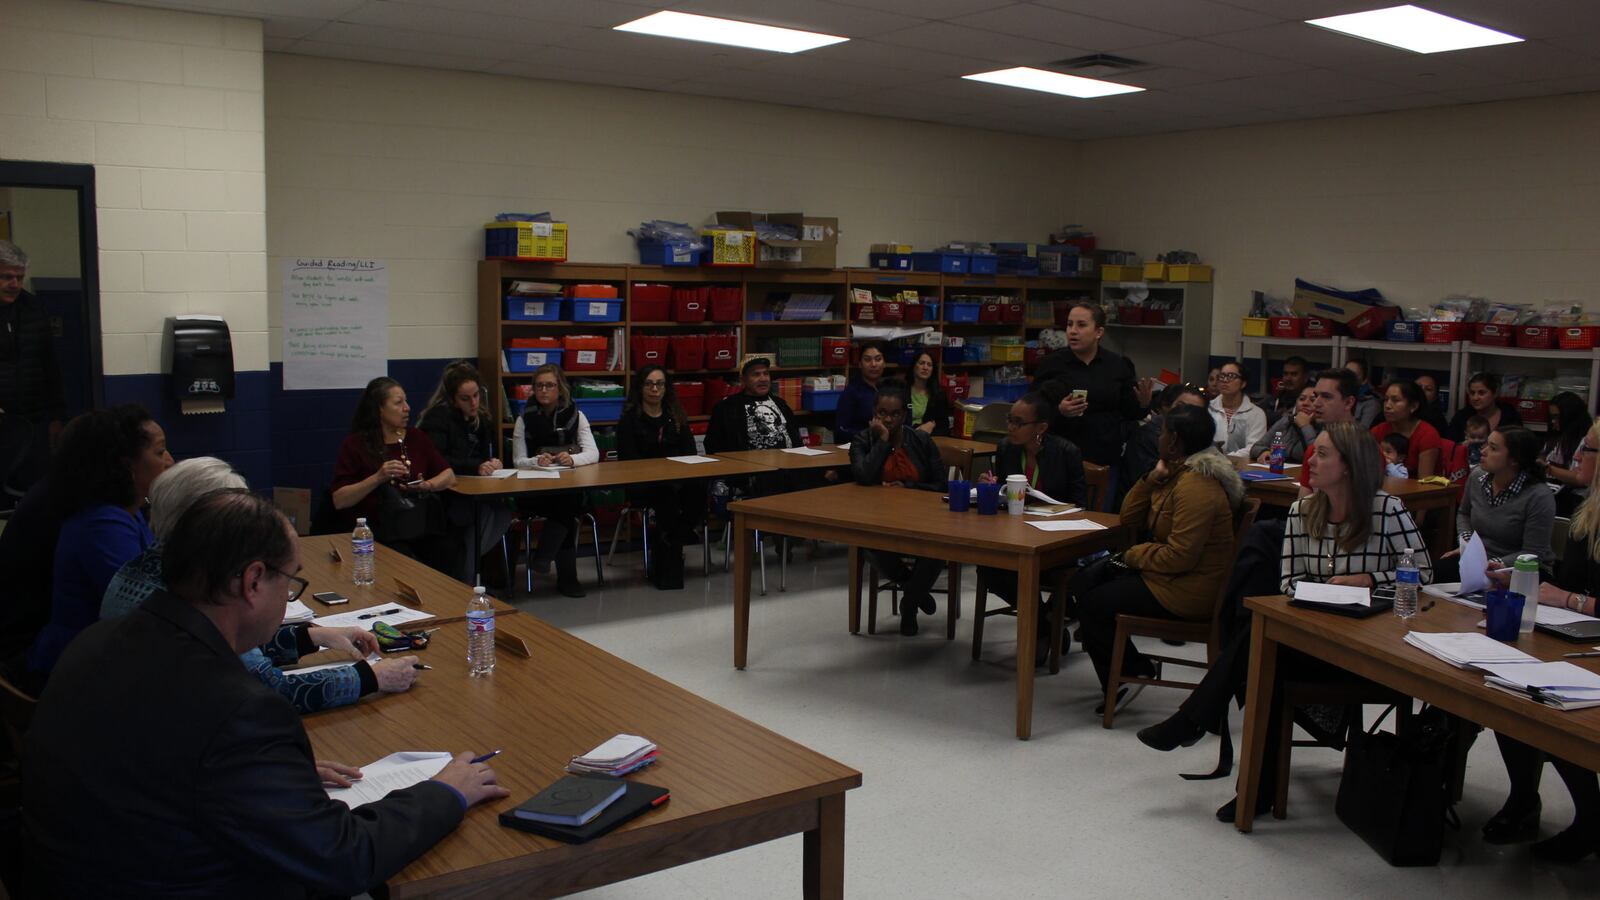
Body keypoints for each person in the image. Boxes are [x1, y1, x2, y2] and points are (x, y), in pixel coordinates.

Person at [21, 490, 508, 897]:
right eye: (290, 581)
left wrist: (263, 777)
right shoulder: (238, 711)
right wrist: (445, 793)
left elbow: (156, 755)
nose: (290, 597)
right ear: (253, 581)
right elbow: (341, 857)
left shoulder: (99, 641)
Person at [1140, 424, 1433, 824]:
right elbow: (1288, 584)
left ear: (1349, 466)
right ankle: (1248, 783)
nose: (1310, 460)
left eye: (1323, 455)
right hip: (1316, 638)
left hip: (1369, 650)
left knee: (1257, 655)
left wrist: (1369, 580)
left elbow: (1424, 574)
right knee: (1262, 658)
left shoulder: (1386, 510)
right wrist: (1317, 592)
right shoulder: (1302, 511)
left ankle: (1202, 729)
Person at [100, 457, 422, 713]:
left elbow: (230, 647)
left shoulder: (143, 568)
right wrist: (372, 677)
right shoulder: (193, 590)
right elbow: (268, 692)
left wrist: (312, 636)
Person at [1076, 404, 1244, 712]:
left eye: (1163, 431)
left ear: (1175, 440)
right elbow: (1128, 518)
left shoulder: (1197, 486)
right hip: (1170, 576)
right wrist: (1151, 478)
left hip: (1188, 589)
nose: (1158, 436)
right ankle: (1131, 669)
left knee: (1092, 601)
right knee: (1086, 580)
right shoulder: (1176, 473)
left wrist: (1133, 556)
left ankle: (1128, 672)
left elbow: (1180, 556)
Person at [1481, 454, 1600, 861]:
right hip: (1575, 633)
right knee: (1508, 685)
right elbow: (1567, 582)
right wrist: (1524, 580)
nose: (1581, 460)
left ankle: (1590, 821)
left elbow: (1573, 594)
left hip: (1586, 632)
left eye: (1591, 452)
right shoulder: (1589, 513)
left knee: (1560, 709)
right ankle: (1523, 799)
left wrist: (1572, 600)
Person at [23, 406, 173, 686]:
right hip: (78, 671)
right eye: (159, 452)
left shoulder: (129, 512)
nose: (169, 461)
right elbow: (148, 607)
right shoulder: (102, 524)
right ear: (126, 465)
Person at [976, 390, 1088, 660]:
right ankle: (1045, 625)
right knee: (988, 567)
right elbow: (1006, 493)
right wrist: (992, 489)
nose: (1011, 428)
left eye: (1018, 422)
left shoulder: (1067, 453)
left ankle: (1040, 629)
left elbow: (1080, 505)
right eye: (1009, 420)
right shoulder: (1006, 448)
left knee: (1035, 570)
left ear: (1041, 428)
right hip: (1017, 535)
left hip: (1055, 540)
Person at [331, 376, 460, 579]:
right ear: (379, 409)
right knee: (402, 559)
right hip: (379, 530)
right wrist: (378, 477)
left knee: (449, 549)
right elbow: (339, 500)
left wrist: (427, 485)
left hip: (417, 522)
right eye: (398, 403)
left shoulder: (416, 437)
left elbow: (449, 475)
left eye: (406, 401)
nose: (407, 408)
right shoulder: (356, 444)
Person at [850, 379, 948, 636]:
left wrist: (909, 488)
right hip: (878, 520)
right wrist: (882, 441)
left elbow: (941, 485)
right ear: (874, 413)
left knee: (938, 547)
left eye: (894, 414)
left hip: (921, 520)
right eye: (882, 413)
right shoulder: (862, 440)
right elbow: (863, 475)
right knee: (871, 543)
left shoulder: (922, 441)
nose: (889, 419)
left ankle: (909, 602)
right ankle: (916, 594)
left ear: (904, 414)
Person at [1031, 302, 1151, 506]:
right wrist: (1059, 410)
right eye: (1069, 325)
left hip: (1103, 458)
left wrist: (1143, 404)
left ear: (1099, 332)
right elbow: (1033, 408)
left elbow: (1130, 412)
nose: (1073, 331)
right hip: (1059, 458)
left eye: (1081, 325)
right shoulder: (1052, 364)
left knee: (1097, 521)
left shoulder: (1117, 365)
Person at [420, 361, 515, 583]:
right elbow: (437, 459)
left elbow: (484, 453)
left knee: (502, 513)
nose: (473, 403)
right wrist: (475, 466)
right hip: (444, 493)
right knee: (479, 516)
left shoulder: (480, 418)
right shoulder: (438, 418)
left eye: (476, 395)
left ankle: (468, 568)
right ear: (452, 398)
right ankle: (467, 578)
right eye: (465, 398)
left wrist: (492, 462)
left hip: (472, 487)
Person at [510, 364, 598, 598]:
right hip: (534, 490)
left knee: (567, 501)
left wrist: (573, 459)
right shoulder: (524, 419)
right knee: (567, 508)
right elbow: (518, 460)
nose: (544, 390)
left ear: (560, 388)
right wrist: (536, 461)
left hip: (566, 485)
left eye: (550, 385)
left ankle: (544, 557)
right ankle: (568, 579)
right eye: (539, 385)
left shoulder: (576, 415)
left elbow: (593, 453)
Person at [616, 365, 706, 590]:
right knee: (665, 495)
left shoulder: (675, 417)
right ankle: (677, 538)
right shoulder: (629, 420)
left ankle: (678, 533)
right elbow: (628, 458)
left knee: (699, 486)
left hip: (676, 480)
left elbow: (689, 452)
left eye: (659, 384)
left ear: (666, 388)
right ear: (640, 388)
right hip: (643, 483)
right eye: (649, 384)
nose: (654, 389)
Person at [1443, 427, 1555, 582]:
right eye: (1486, 445)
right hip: (1478, 558)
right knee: (1433, 574)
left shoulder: (1538, 496)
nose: (1483, 451)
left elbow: (1533, 553)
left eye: (1493, 448)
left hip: (1523, 568)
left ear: (1514, 460)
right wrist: (1467, 543)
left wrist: (1494, 563)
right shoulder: (1477, 476)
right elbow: (1464, 513)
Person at [0, 239, 65, 500]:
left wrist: (57, 416)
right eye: (6, 276)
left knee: (34, 489)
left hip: (33, 418)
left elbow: (50, 365)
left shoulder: (33, 308)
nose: (14, 284)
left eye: (19, 277)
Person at [705, 356, 801, 453]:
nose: (763, 379)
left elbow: (797, 439)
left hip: (787, 463)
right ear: (743, 380)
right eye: (756, 374)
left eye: (766, 373)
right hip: (748, 466)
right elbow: (712, 445)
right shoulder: (726, 407)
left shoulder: (781, 404)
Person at [1126, 383, 1206, 484]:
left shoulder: (1202, 440)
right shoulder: (1147, 435)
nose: (1184, 414)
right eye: (1180, 406)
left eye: (1194, 411)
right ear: (1168, 406)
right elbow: (1145, 482)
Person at [1369, 380, 1441, 479]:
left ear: (1413, 406)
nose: (1387, 406)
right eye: (1386, 399)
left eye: (1395, 400)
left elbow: (1425, 484)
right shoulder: (1377, 431)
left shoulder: (1427, 434)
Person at [1542, 391, 1593, 516]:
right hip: (1551, 493)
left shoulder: (1585, 441)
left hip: (1573, 500)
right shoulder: (1555, 438)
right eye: (1552, 417)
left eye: (1557, 417)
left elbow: (1579, 479)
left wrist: (1547, 468)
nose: (1553, 422)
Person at [1208, 360, 1267, 458]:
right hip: (1209, 464)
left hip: (1242, 467)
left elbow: (1253, 448)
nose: (1225, 380)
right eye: (1222, 376)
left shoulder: (1256, 413)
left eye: (1231, 376)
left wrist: (1225, 459)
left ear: (1243, 383)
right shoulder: (1207, 408)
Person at [834, 340, 889, 445]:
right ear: (860, 364)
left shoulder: (892, 389)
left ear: (884, 363)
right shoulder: (851, 392)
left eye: (878, 359)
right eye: (867, 360)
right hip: (861, 447)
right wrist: (871, 433)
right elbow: (841, 431)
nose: (873, 364)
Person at [1446, 372, 1522, 441]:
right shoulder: (1461, 417)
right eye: (1472, 393)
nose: (1475, 398)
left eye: (1481, 393)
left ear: (1495, 393)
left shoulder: (1510, 417)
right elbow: (1450, 446)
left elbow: (1517, 449)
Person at [1251, 385, 1317, 465]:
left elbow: (1317, 455)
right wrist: (1264, 452)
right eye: (1301, 399)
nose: (1305, 403)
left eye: (1312, 400)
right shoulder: (1286, 421)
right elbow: (1256, 447)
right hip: (1279, 472)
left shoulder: (1324, 427)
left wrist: (1306, 426)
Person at [907, 348, 951, 436]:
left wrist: (928, 429)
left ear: (932, 370)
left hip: (929, 440)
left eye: (929, 365)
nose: (925, 367)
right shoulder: (902, 391)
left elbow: (944, 428)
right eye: (922, 363)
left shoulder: (939, 395)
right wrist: (917, 429)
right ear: (914, 366)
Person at [1266, 355, 1310, 420]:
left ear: (1305, 377)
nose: (1288, 378)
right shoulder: (1278, 397)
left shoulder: (1311, 401)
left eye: (1294, 374)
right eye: (1285, 374)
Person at [1344, 358, 1380, 428]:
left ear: (1364, 379)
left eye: (1353, 375)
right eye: (1346, 374)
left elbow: (1362, 433)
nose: (1348, 378)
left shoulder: (1371, 404)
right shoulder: (1340, 396)